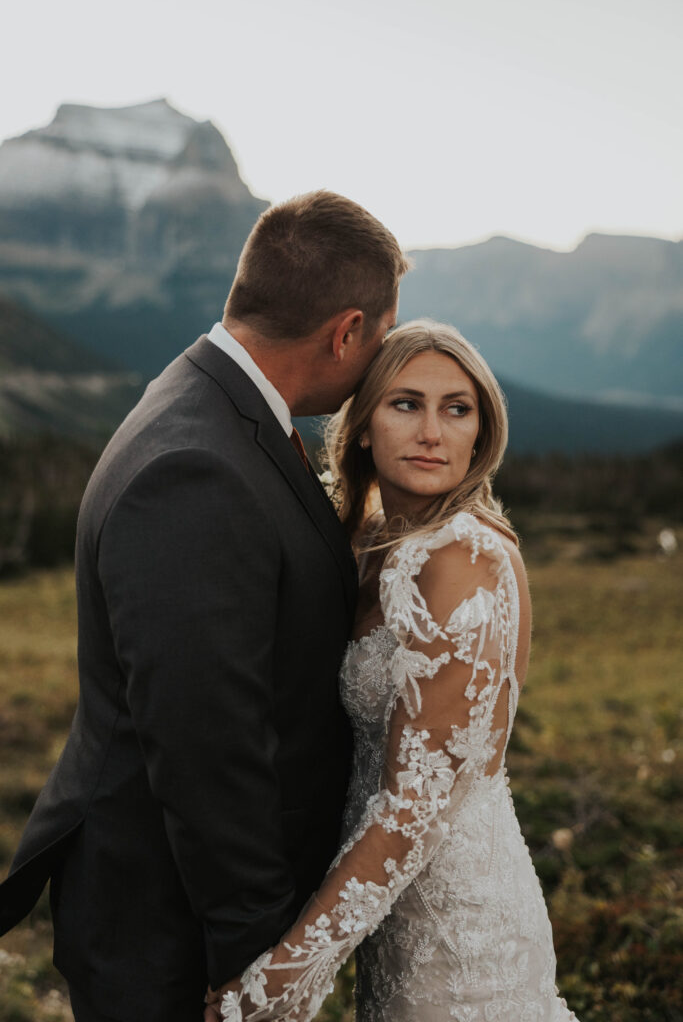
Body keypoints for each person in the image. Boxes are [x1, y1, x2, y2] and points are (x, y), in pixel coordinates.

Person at [0, 191, 407, 1022]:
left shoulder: (212, 402)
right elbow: (203, 740)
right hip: (167, 926)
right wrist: (258, 961)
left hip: (174, 903)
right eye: (382, 338)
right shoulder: (196, 468)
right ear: (345, 332)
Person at [210, 320, 580, 1022]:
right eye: (405, 403)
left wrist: (286, 978)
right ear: (361, 426)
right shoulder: (370, 541)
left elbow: (414, 807)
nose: (432, 431)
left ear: (481, 431)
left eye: (456, 409)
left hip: (460, 927)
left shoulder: (463, 560)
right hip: (385, 909)